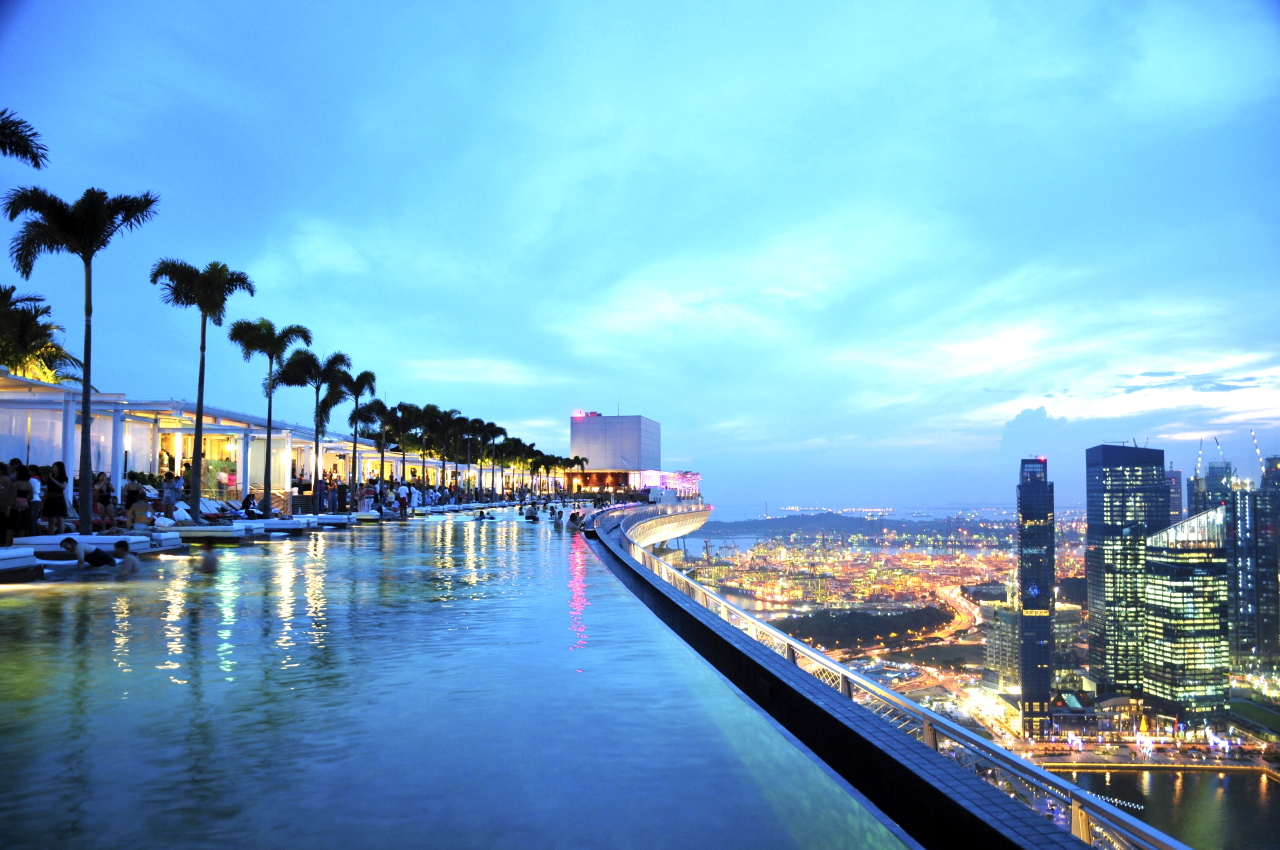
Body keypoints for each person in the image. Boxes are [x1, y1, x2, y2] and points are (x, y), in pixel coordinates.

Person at [42, 462, 68, 535]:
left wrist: (53, 480)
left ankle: (61, 535)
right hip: (50, 499)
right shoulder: (50, 477)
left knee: (60, 519)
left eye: (56, 467)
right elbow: (48, 488)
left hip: (58, 499)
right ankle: (51, 536)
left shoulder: (63, 477)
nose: (54, 469)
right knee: (50, 520)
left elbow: (63, 486)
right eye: (53, 467)